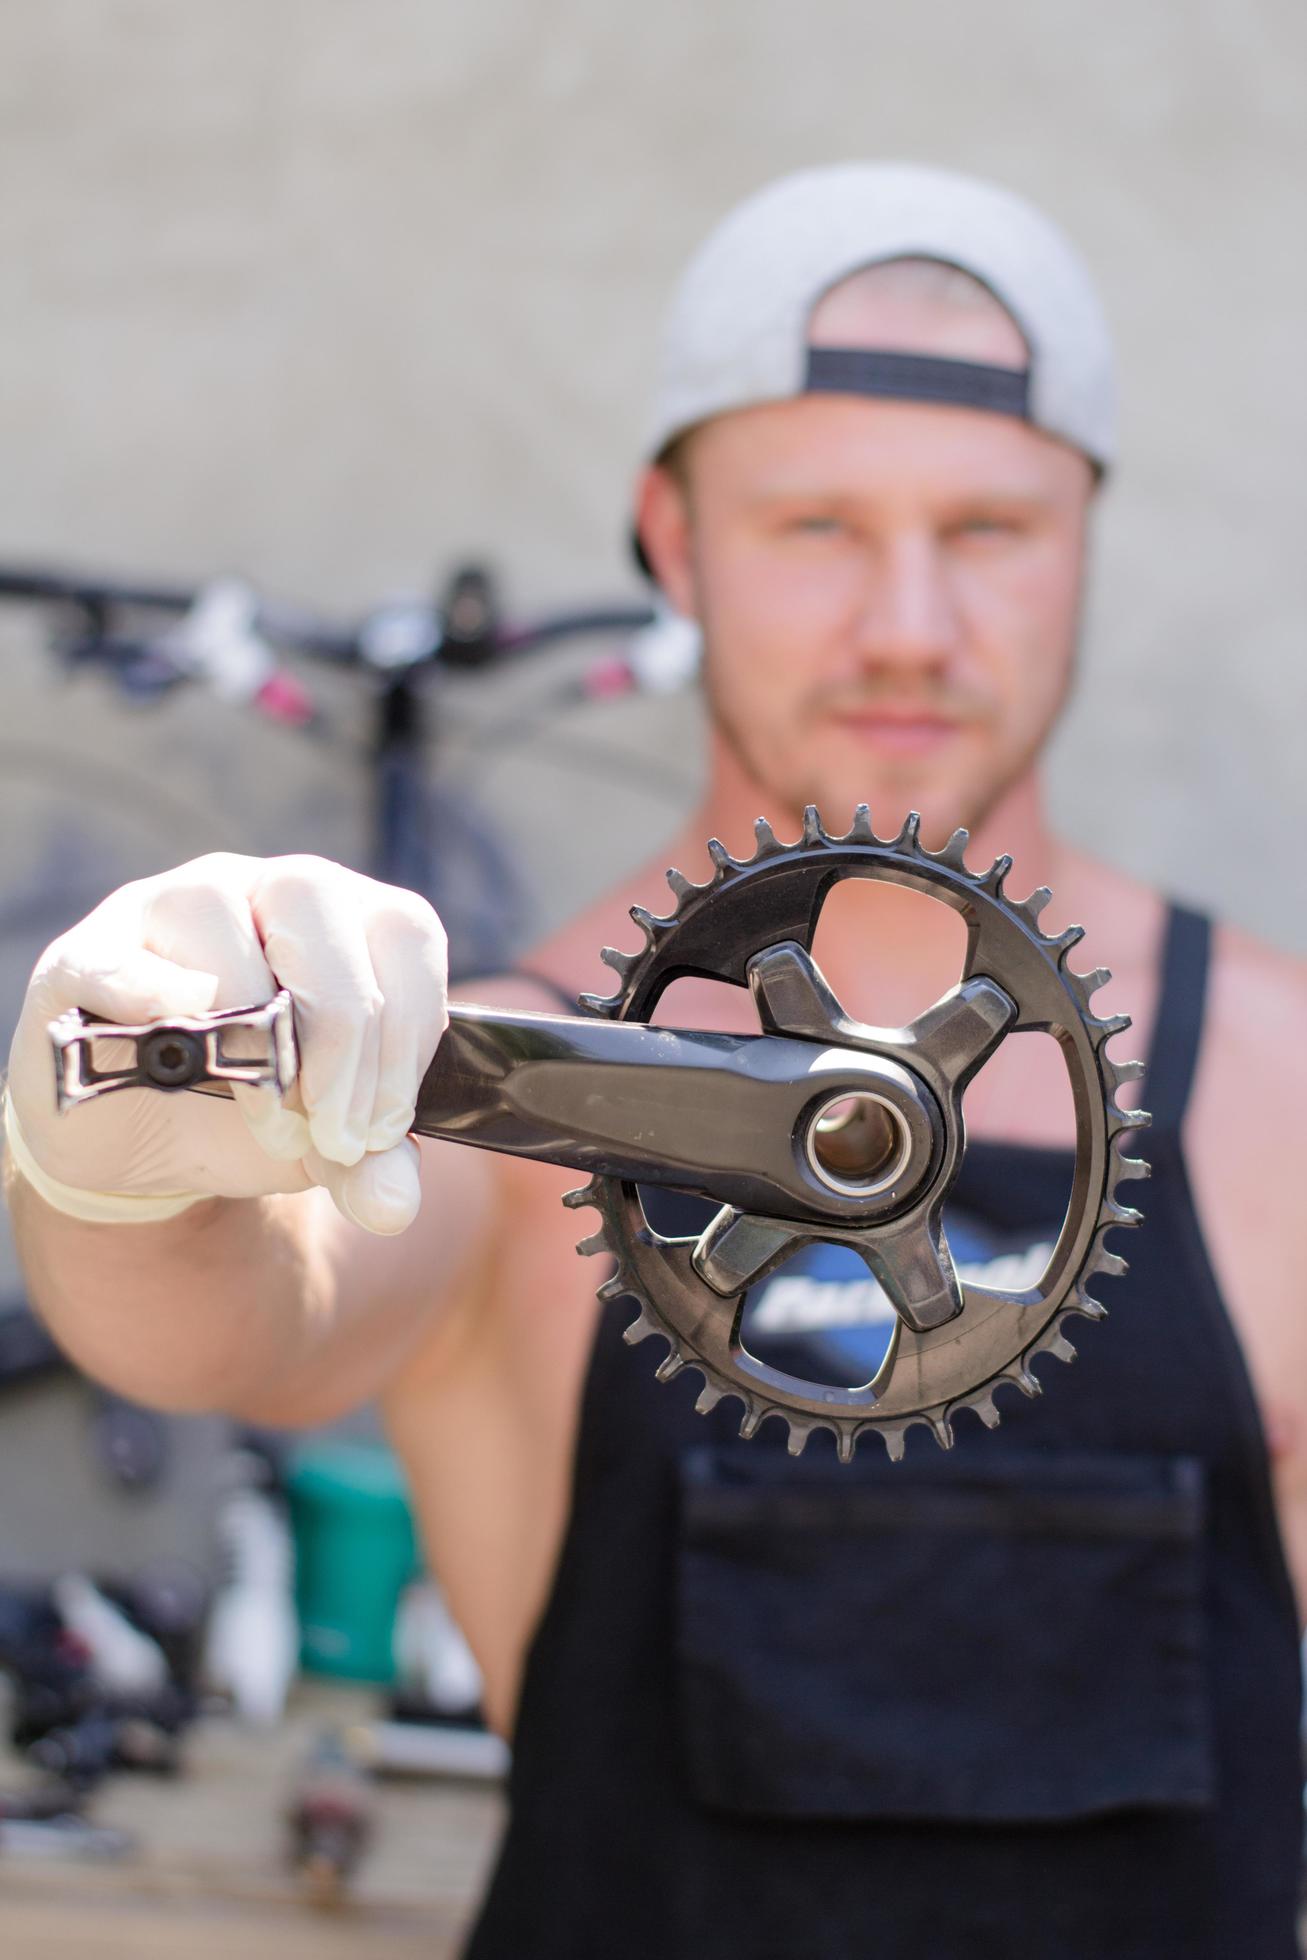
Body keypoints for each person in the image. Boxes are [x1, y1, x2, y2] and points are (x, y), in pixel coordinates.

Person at [5, 164, 1304, 1957]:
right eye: (817, 528)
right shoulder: (507, 1085)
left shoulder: (1283, 1096)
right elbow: (245, 1323)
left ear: (1085, 532)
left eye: (990, 531)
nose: (911, 624)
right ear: (674, 543)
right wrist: (112, 1158)